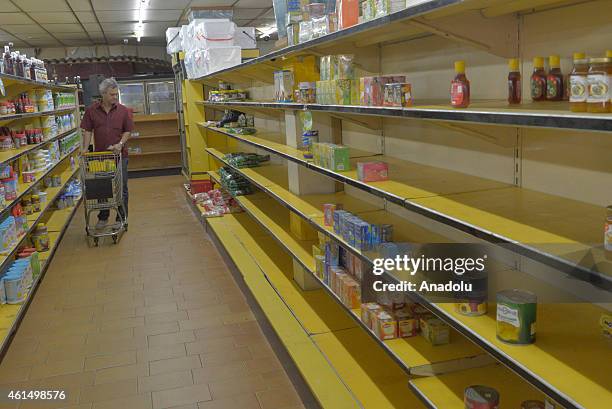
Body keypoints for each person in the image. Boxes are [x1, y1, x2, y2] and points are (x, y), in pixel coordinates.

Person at [80, 78, 133, 229]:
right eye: (112, 95)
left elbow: (128, 131)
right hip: (100, 156)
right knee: (102, 187)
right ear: (103, 94)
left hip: (119, 155)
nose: (115, 97)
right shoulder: (91, 111)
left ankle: (121, 217)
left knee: (121, 188)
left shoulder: (123, 111)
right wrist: (85, 149)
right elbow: (88, 130)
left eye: (116, 94)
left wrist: (120, 144)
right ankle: (103, 217)